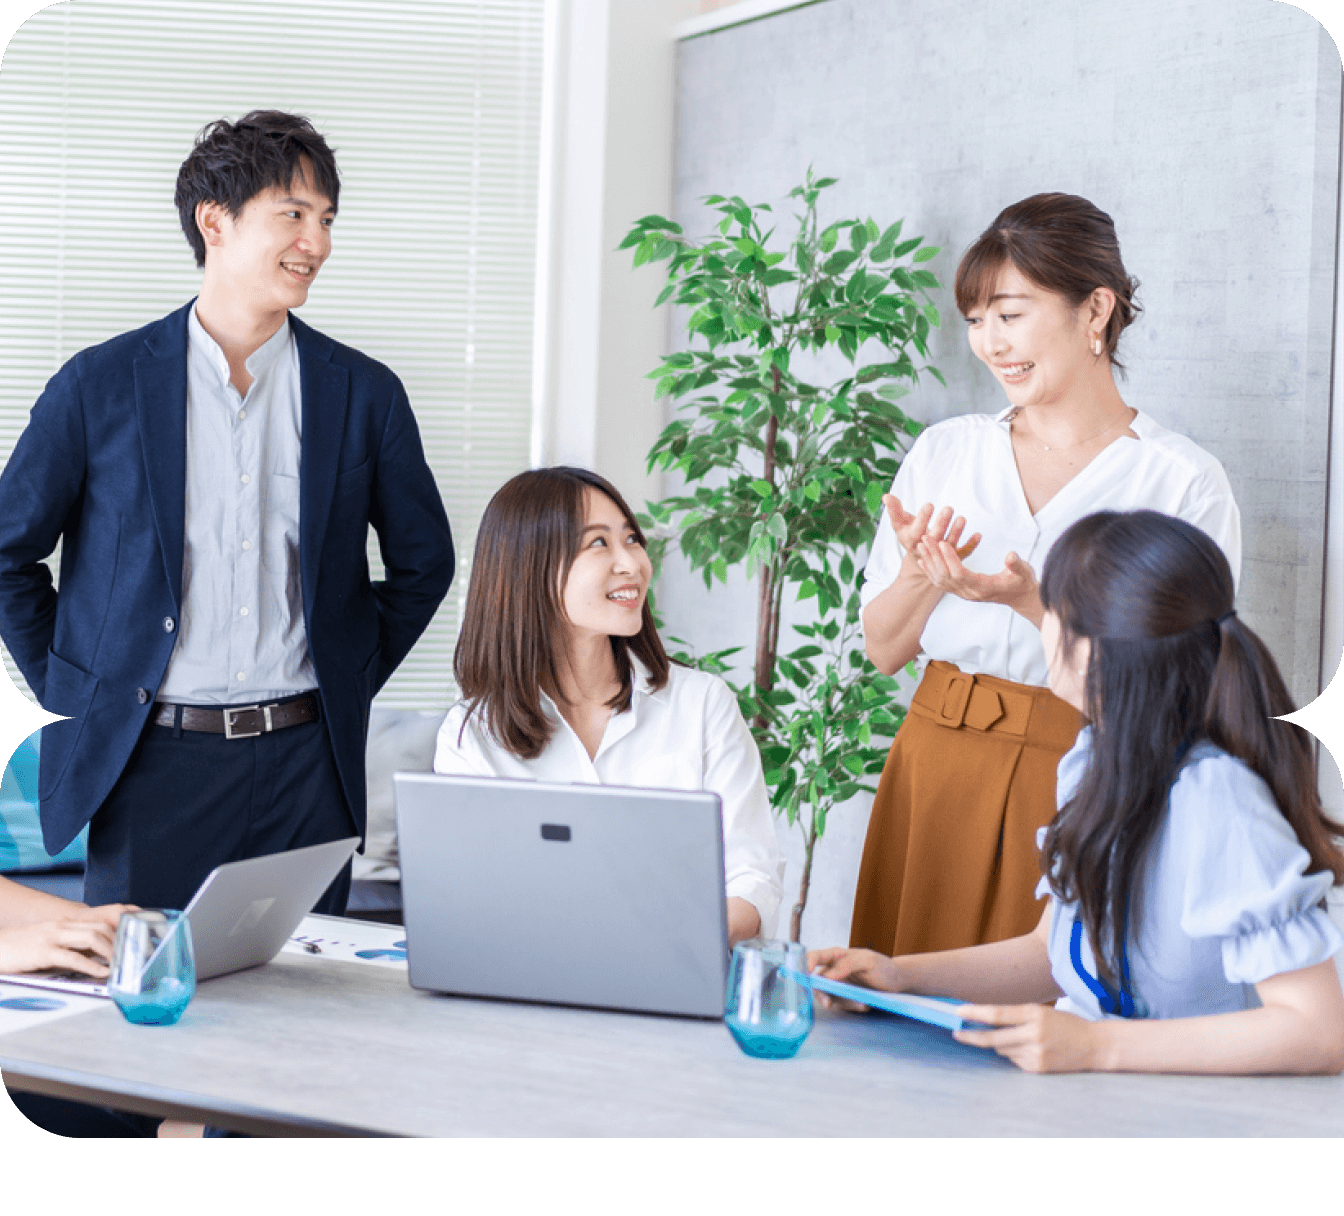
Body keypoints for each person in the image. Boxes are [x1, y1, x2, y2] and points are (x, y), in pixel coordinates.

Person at [0, 110, 455, 918]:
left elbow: (425, 562)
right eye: (293, 213)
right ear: (215, 221)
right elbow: (6, 554)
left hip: (309, 770)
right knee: (145, 1016)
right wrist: (81, 690)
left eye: (326, 220)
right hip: (151, 768)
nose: (314, 241)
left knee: (305, 1022)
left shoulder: (364, 393)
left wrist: (342, 678)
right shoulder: (98, 385)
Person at [810, 509, 1344, 1075]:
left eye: (1051, 609)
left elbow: (1317, 1032)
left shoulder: (1218, 798)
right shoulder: (1093, 761)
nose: (1040, 624)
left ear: (1091, 650)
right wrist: (898, 976)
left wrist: (1095, 1046)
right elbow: (1050, 952)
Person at [852, 193, 1241, 958]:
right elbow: (883, 650)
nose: (990, 343)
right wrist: (927, 576)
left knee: (1035, 1016)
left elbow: (1184, 691)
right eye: (975, 320)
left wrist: (1033, 603)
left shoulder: (1180, 482)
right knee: (894, 1024)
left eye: (1011, 314)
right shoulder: (946, 452)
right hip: (929, 768)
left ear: (1095, 310)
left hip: (1082, 778)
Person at [433, 466, 786, 946]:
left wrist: (655, 942)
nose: (632, 564)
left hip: (682, 980)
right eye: (598, 543)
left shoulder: (703, 705)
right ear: (528, 568)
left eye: (632, 539)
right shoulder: (472, 735)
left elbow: (752, 879)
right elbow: (470, 902)